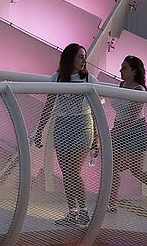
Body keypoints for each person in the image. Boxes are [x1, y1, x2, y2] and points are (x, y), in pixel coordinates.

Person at [33, 42, 100, 225]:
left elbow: (95, 111)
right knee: (66, 172)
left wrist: (97, 138)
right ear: (70, 58)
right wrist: (39, 130)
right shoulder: (57, 78)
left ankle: (84, 211)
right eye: (80, 56)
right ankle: (72, 211)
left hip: (83, 125)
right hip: (62, 125)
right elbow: (49, 105)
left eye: (84, 57)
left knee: (73, 170)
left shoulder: (89, 80)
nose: (83, 60)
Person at [111, 54, 147, 218]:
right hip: (119, 128)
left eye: (125, 68)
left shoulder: (139, 90)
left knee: (138, 170)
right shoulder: (121, 85)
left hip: (135, 131)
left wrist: (114, 131)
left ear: (134, 71)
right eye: (121, 67)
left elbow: (134, 118)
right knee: (112, 168)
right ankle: (111, 203)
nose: (121, 71)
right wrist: (116, 129)